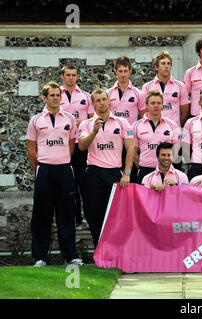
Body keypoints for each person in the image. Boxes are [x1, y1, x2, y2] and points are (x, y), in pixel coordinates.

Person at [26, 82, 83, 267]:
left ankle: (71, 255)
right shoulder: (36, 120)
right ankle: (40, 257)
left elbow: (71, 145)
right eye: (52, 95)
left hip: (65, 170)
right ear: (45, 98)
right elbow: (30, 149)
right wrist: (41, 166)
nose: (56, 98)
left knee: (67, 214)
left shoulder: (69, 119)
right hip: (44, 171)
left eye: (58, 95)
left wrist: (61, 160)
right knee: (42, 215)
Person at [78, 88, 134, 247]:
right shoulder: (87, 124)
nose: (102, 103)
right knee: (94, 213)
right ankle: (99, 248)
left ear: (109, 100)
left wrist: (127, 173)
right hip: (94, 173)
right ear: (93, 104)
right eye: (98, 100)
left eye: (104, 99)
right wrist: (94, 132)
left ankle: (116, 249)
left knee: (117, 214)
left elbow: (130, 148)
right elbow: (81, 146)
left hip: (115, 173)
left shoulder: (122, 122)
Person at [59, 64, 94, 230]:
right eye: (68, 75)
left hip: (82, 145)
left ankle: (87, 219)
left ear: (77, 76)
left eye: (74, 75)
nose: (71, 78)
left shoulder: (86, 96)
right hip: (63, 146)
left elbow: (93, 119)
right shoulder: (56, 94)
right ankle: (74, 219)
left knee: (84, 183)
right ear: (62, 76)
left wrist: (83, 122)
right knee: (68, 184)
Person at [107, 56, 145, 182]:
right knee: (115, 174)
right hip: (114, 139)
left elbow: (143, 116)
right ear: (115, 71)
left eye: (125, 71)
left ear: (130, 71)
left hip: (131, 139)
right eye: (120, 71)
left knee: (132, 175)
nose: (123, 74)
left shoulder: (138, 93)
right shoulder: (108, 93)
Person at [132, 90, 181, 184]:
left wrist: (166, 165)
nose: (156, 105)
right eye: (153, 103)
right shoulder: (136, 125)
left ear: (162, 105)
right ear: (147, 105)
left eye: (159, 103)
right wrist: (142, 166)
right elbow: (133, 151)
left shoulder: (172, 124)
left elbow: (176, 148)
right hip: (144, 170)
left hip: (166, 171)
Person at [142, 51, 190, 127]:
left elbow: (185, 112)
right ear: (156, 67)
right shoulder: (147, 87)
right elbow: (145, 111)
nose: (166, 66)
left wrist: (176, 125)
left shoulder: (180, 86)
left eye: (169, 63)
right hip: (154, 129)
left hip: (174, 130)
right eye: (163, 63)